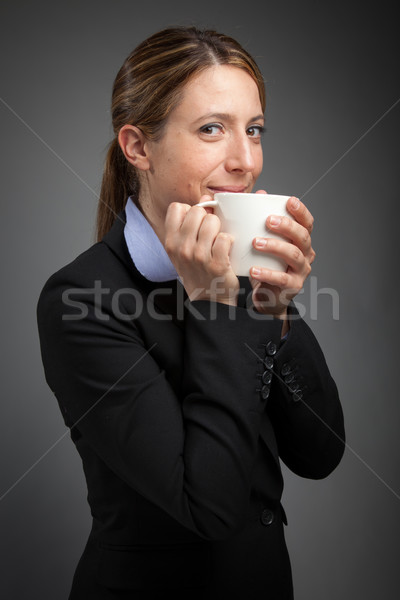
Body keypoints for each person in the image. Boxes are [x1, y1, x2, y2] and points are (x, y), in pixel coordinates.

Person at [37, 26, 345, 600]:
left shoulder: (246, 272)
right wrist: (218, 305)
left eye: (253, 130)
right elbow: (210, 506)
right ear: (138, 147)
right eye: (212, 130)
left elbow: (321, 454)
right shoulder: (81, 300)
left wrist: (276, 309)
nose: (246, 161)